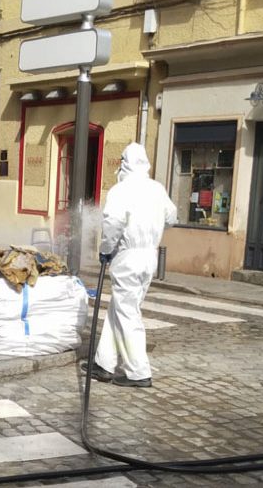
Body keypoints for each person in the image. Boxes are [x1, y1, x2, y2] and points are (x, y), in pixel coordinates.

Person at [83, 142, 177, 388]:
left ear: (124, 164)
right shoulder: (156, 189)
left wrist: (105, 250)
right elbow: (172, 216)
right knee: (120, 307)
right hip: (149, 256)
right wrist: (153, 229)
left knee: (128, 313)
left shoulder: (121, 190)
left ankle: (138, 372)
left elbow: (112, 223)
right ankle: (104, 363)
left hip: (129, 256)